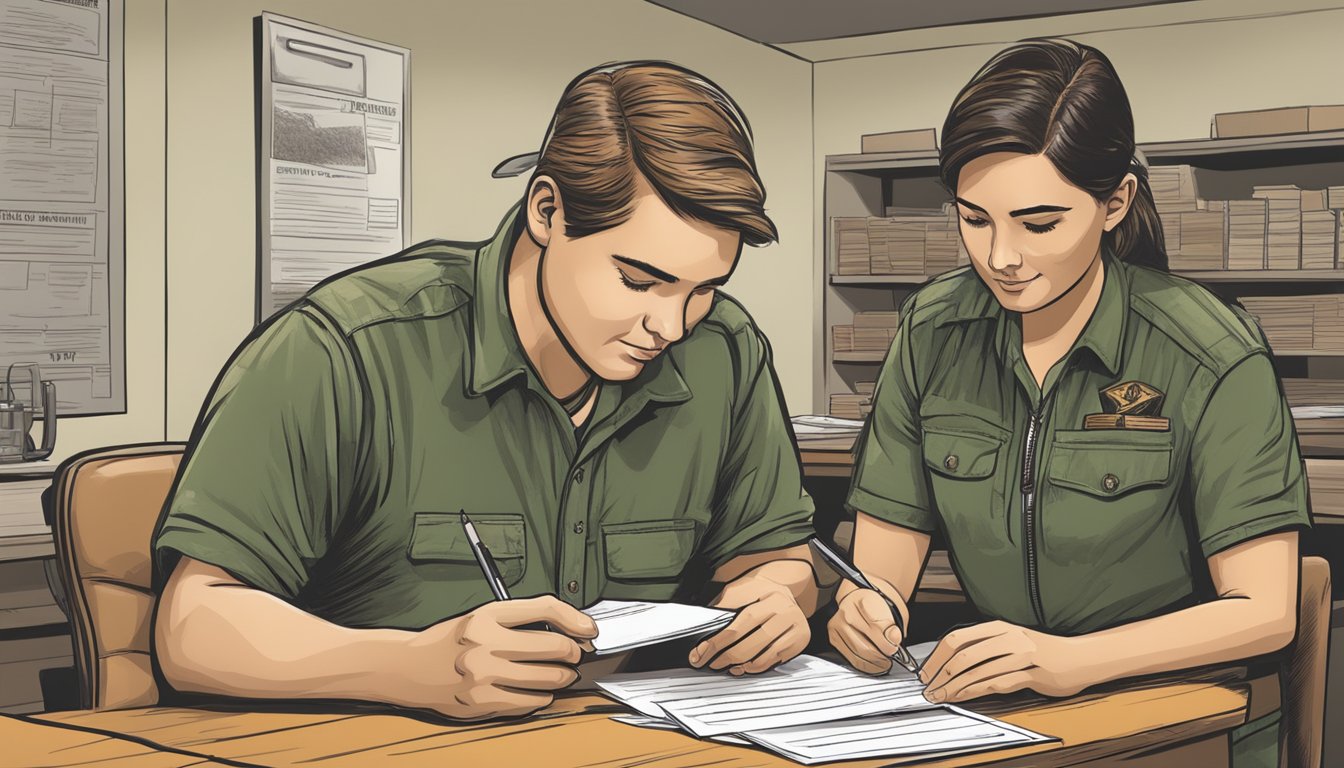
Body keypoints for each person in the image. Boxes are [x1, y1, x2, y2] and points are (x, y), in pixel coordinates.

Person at [152, 61, 821, 722]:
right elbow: (193, 625)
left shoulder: (724, 354)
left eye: (702, 289)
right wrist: (409, 668)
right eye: (639, 283)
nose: (671, 326)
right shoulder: (347, 347)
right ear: (547, 210)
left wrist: (776, 597)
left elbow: (776, 560)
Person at [828, 39, 1309, 765]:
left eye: (1039, 223)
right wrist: (868, 609)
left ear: (1116, 201)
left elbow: (1265, 611)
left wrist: (1072, 661)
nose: (1001, 258)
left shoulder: (1211, 352)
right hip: (996, 717)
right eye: (974, 219)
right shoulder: (932, 331)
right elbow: (885, 553)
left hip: (1185, 723)